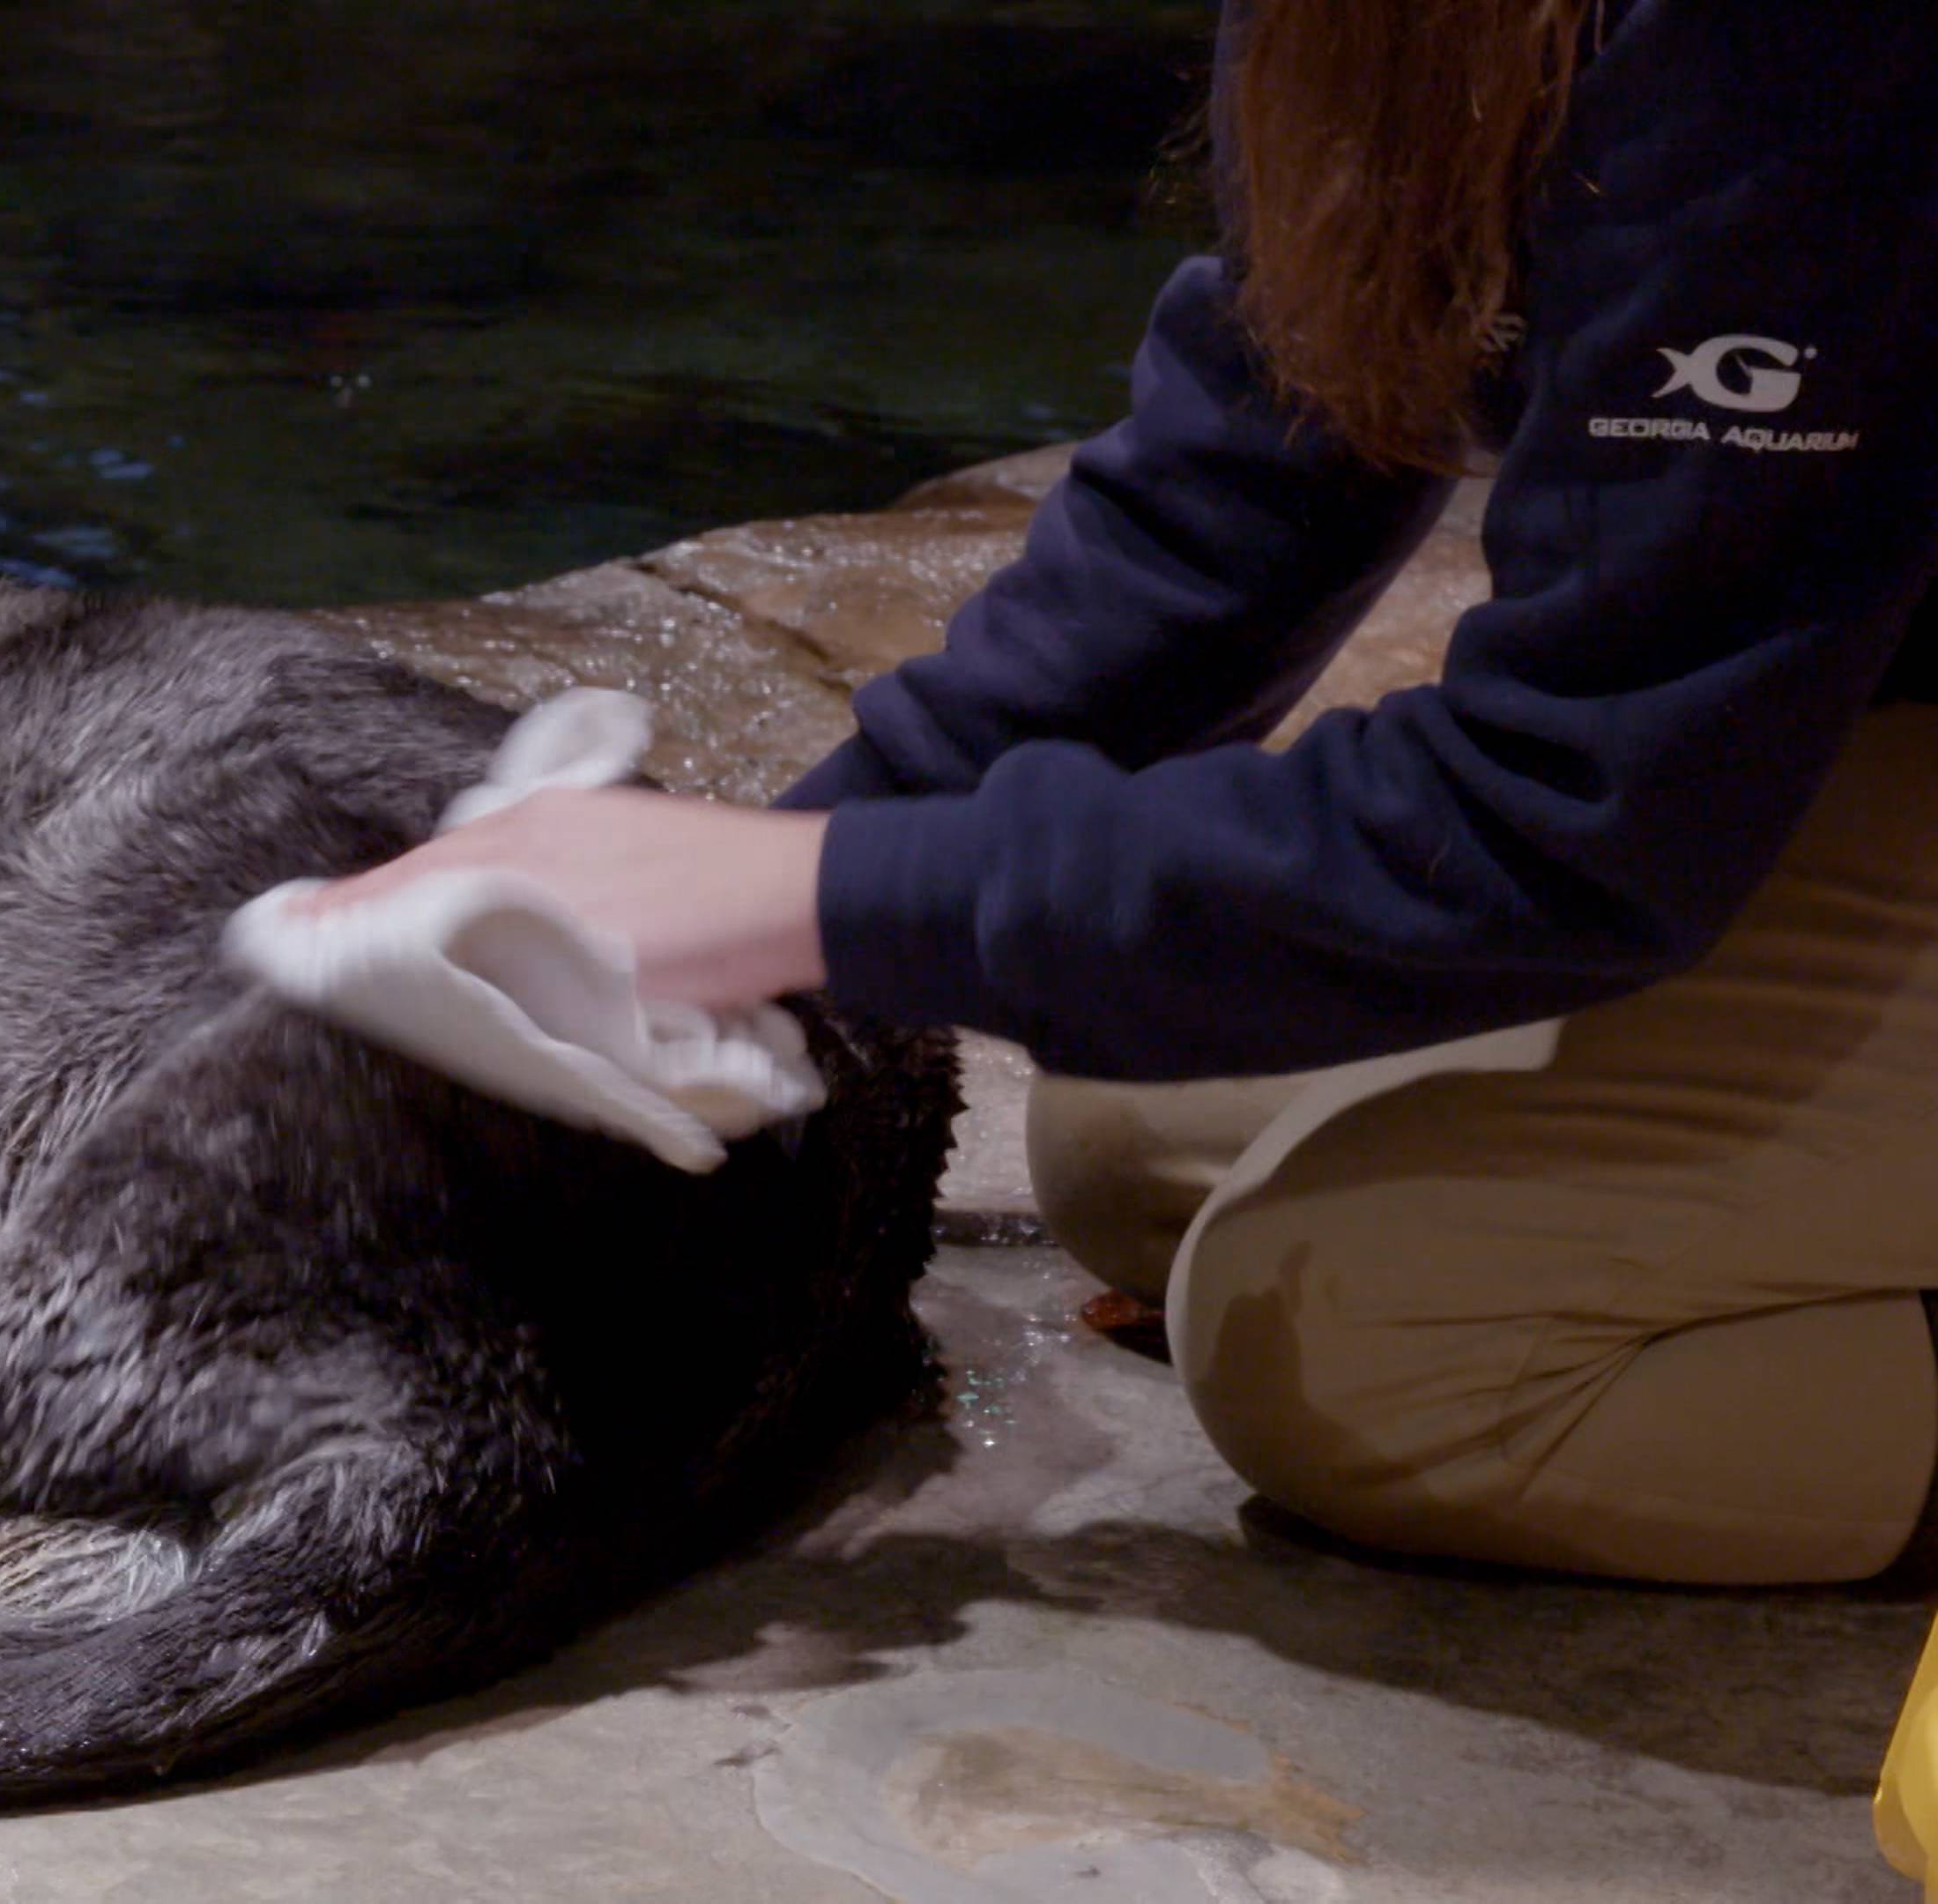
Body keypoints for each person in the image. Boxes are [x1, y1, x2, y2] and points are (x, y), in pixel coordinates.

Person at [307, 0, 1938, 1586]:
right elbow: (1254, 464)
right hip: (1855, 704)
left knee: (1378, 1360)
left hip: (1800, 739)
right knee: (1129, 1141)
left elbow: (1565, 816)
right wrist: (784, 858)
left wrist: (822, 900)